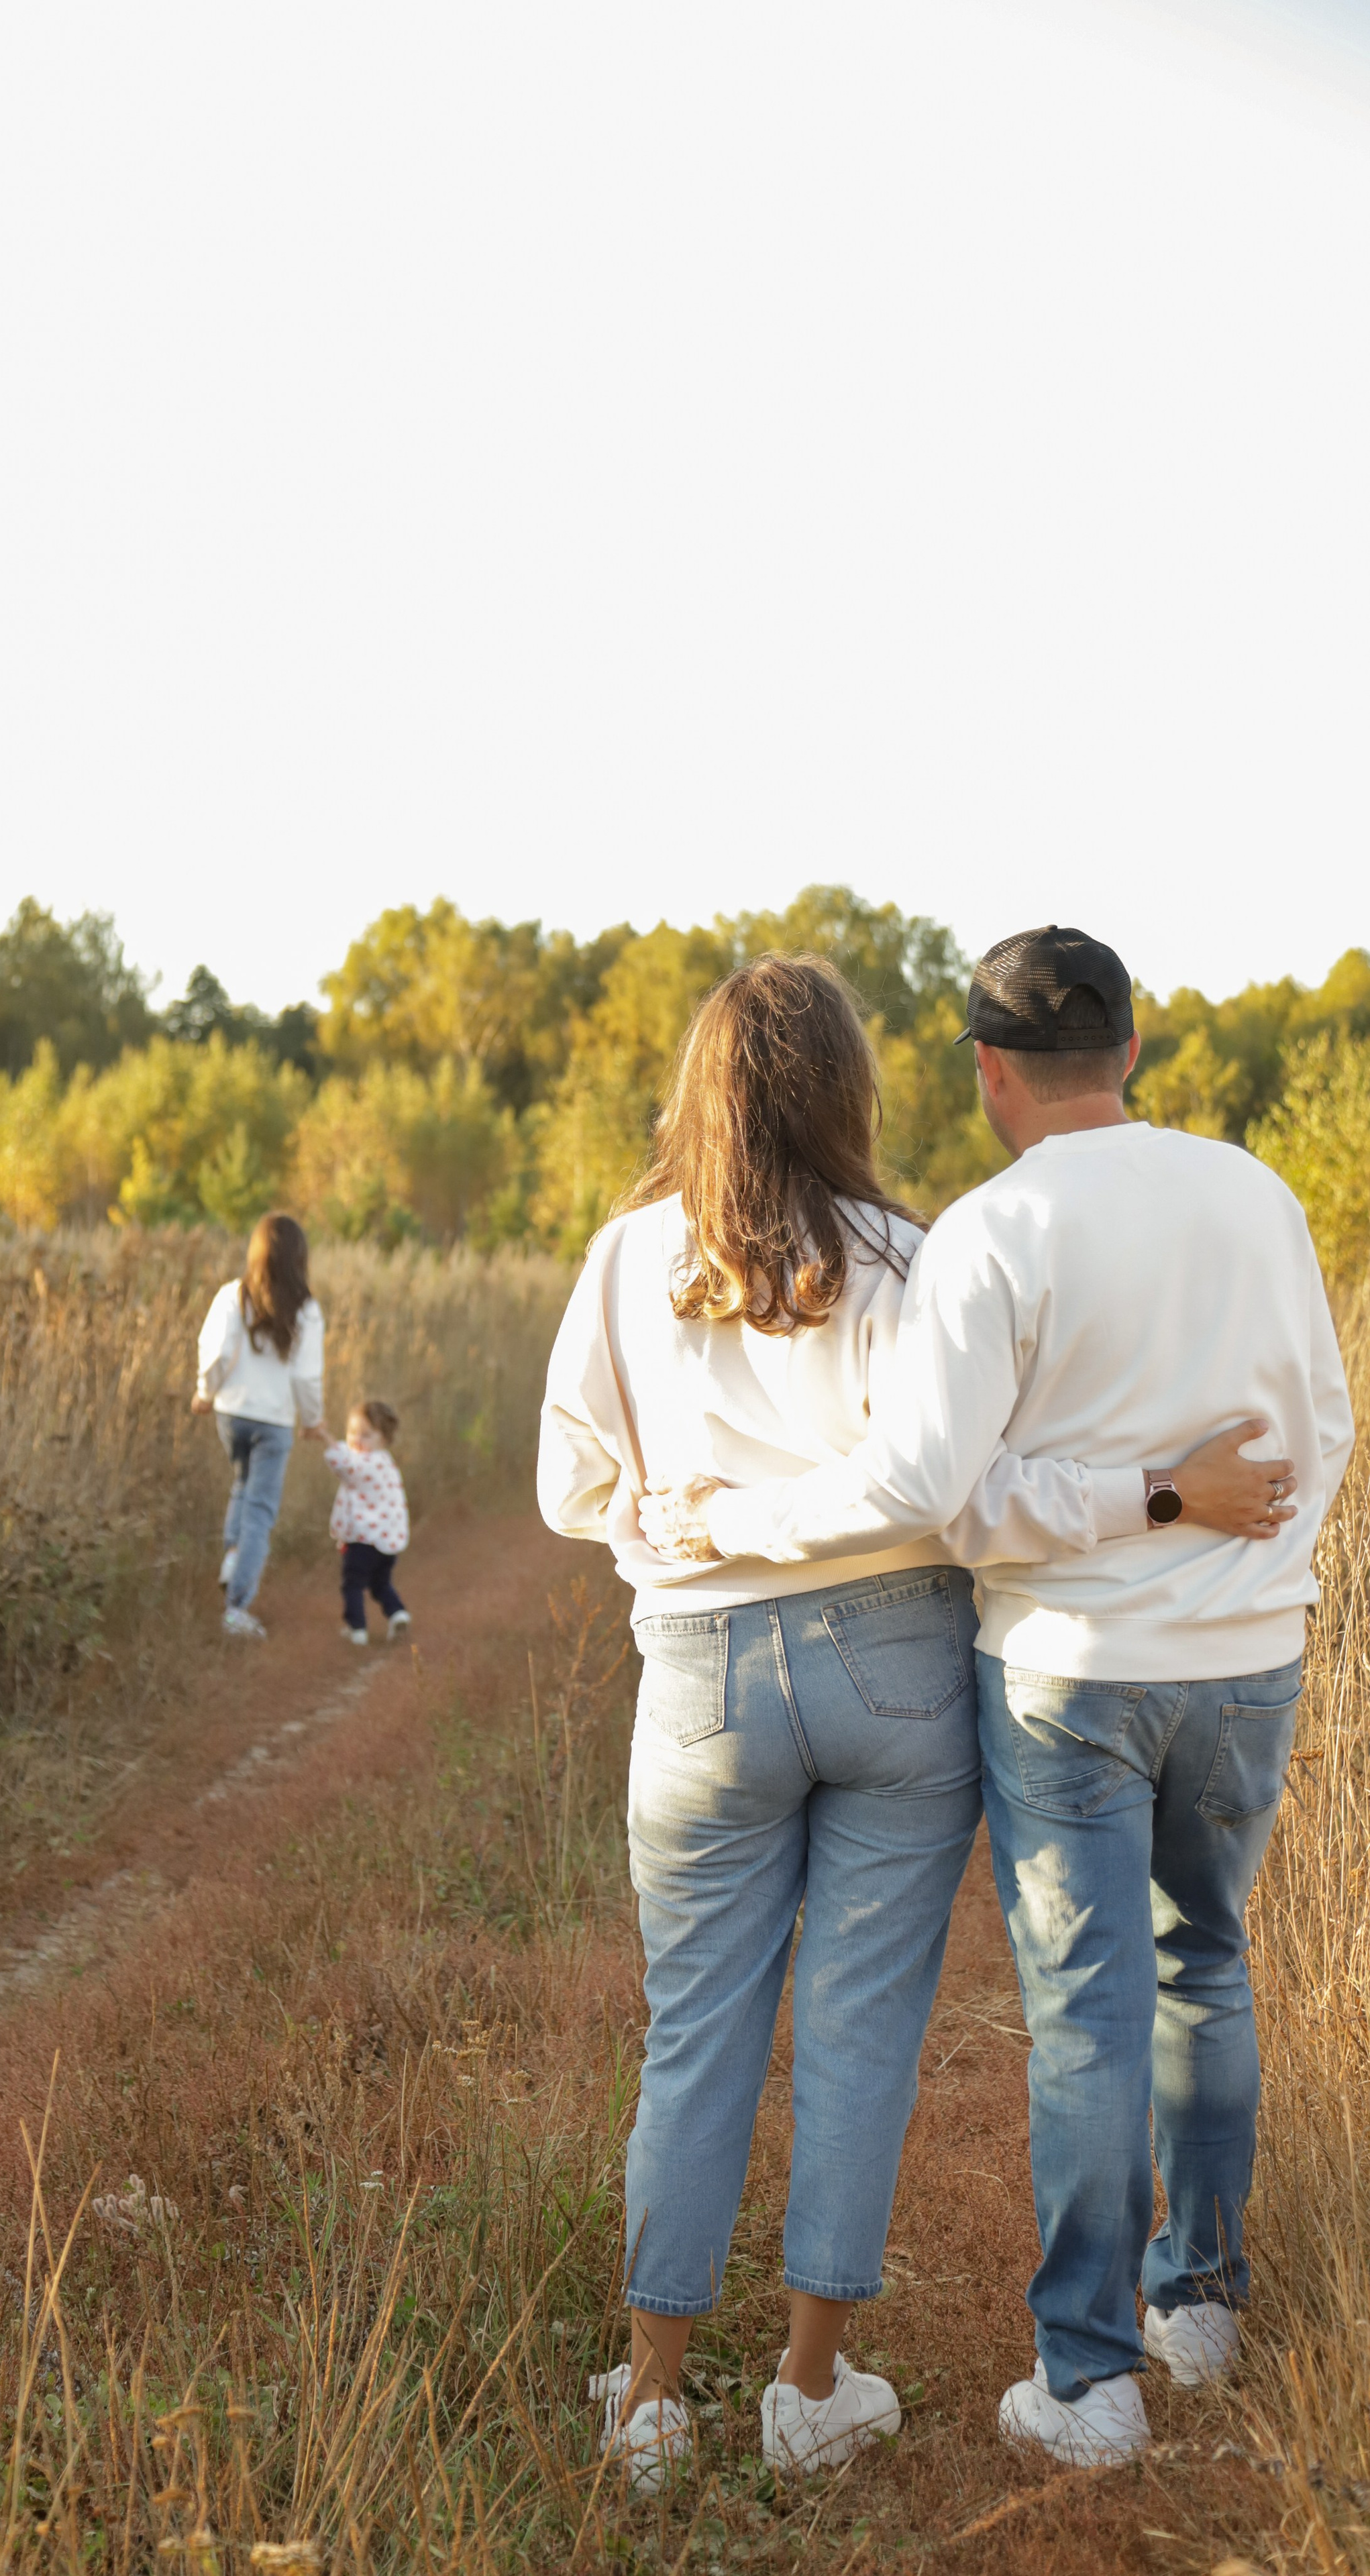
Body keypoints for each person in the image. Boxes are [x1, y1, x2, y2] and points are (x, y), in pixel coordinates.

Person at [537, 951, 1279, 2495]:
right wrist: (1158, 1496)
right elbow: (960, 1493)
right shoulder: (906, 1253)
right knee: (860, 2033)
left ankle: (651, 2398)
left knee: (695, 2029)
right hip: (895, 1665)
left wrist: (673, 1526)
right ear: (849, 1089)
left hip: (700, 1670)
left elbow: (565, 1487)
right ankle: (810, 2386)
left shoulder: (621, 1259)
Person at [192, 1212, 325, 1640]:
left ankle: (234, 1557)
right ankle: (237, 1608)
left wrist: (205, 1393)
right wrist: (312, 1419)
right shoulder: (306, 1309)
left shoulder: (232, 1295)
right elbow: (307, 1376)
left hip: (232, 1414)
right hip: (275, 1421)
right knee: (261, 1510)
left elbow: (215, 1352)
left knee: (243, 1483)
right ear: (299, 1258)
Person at [321, 1399, 413, 1645]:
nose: (356, 1440)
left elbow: (344, 1465)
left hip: (364, 1540)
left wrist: (326, 1438)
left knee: (352, 1584)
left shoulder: (368, 1464)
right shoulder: (386, 1462)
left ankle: (357, 1629)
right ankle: (398, 1613)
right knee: (380, 1584)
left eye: (366, 1435)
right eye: (352, 1433)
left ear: (384, 1438)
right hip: (387, 1542)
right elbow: (349, 1458)